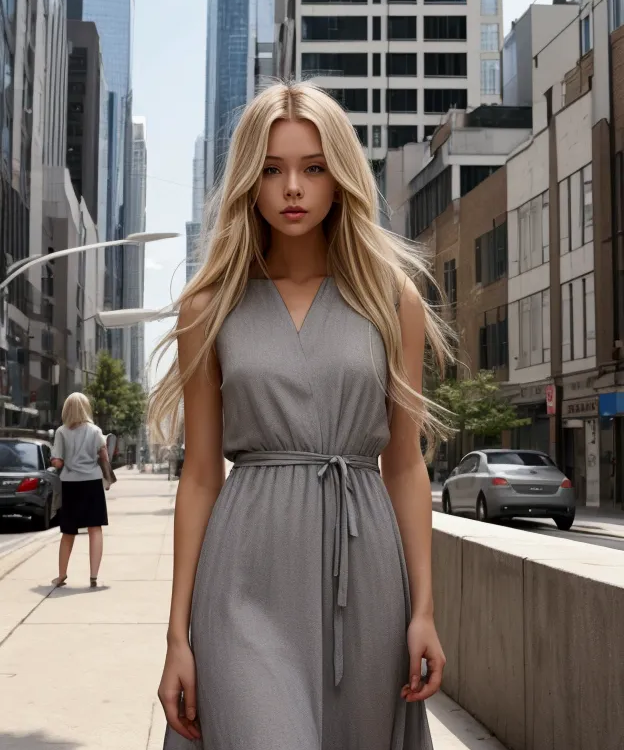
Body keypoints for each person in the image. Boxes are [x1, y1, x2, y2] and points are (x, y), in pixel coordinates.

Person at [149, 83, 453, 750]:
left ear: (340, 178)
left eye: (313, 168)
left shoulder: (388, 297)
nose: (293, 188)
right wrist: (178, 634)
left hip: (367, 574)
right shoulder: (208, 306)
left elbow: (403, 464)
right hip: (243, 579)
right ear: (247, 182)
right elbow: (200, 475)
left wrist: (423, 609)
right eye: (271, 169)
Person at [50, 392, 110, 589]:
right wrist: (107, 480)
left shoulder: (61, 432)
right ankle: (94, 577)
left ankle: (61, 575)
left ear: (66, 409)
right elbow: (104, 456)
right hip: (92, 482)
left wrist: (56, 459)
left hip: (70, 484)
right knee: (95, 528)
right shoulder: (95, 431)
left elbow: (58, 462)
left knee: (68, 531)